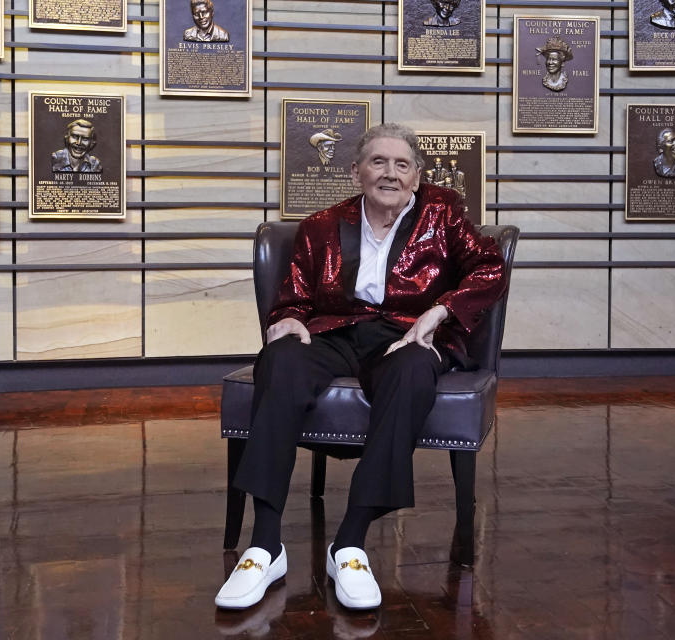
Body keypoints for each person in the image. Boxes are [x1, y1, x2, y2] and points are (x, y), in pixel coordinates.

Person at [214, 123, 506, 611]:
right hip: (335, 332)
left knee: (414, 371)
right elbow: (296, 297)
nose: (389, 174)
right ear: (356, 171)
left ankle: (348, 544)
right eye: (378, 162)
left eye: (401, 164)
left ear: (416, 176)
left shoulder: (445, 212)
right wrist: (286, 318)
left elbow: (489, 267)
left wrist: (442, 311)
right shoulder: (322, 226)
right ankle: (265, 545)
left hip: (407, 333)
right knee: (280, 359)